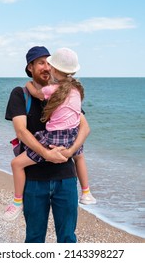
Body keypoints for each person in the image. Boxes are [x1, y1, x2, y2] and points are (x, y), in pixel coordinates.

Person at [5, 46, 90, 243]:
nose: (46, 67)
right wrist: (46, 153)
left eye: (48, 63)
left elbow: (84, 128)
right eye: (40, 63)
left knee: (68, 238)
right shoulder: (20, 94)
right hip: (34, 181)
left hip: (66, 179)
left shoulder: (64, 92)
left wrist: (69, 152)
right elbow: (21, 131)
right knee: (34, 238)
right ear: (30, 67)